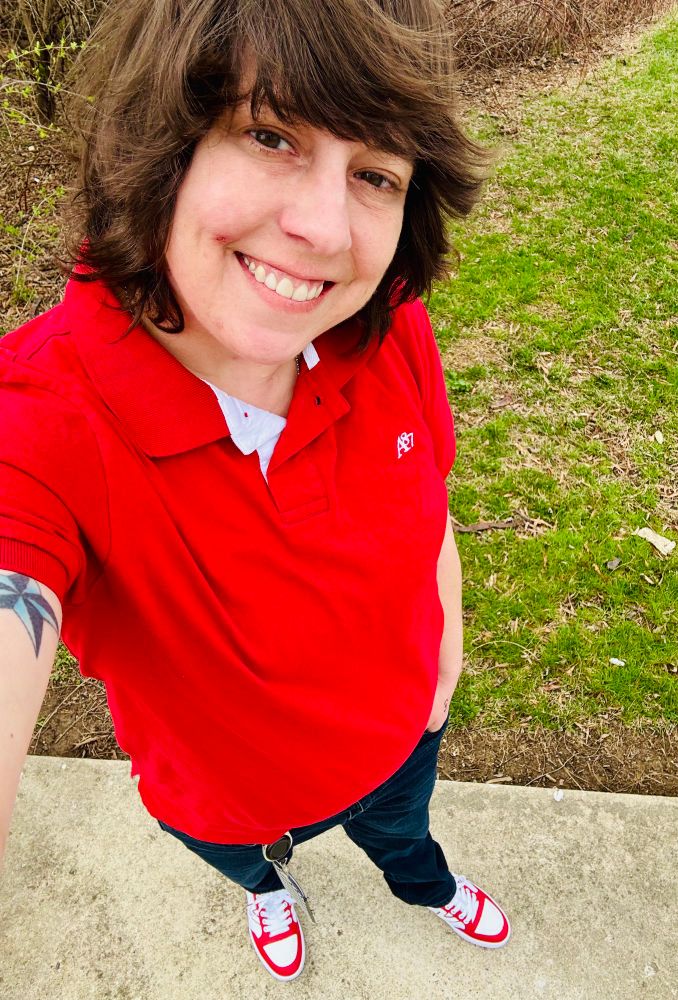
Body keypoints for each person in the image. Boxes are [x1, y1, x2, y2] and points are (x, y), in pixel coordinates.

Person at [0, 0, 510, 982]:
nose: (322, 227)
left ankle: (427, 884)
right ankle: (268, 891)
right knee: (248, 861)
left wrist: (442, 666)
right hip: (224, 802)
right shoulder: (42, 422)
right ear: (161, 142)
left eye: (374, 174)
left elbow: (431, 505)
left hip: (399, 745)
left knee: (409, 841)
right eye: (270, 133)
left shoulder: (389, 326)